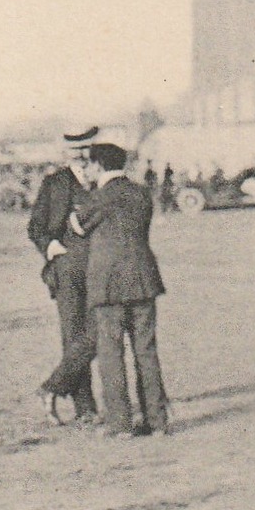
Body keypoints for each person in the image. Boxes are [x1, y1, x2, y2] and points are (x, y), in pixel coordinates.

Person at [71, 142, 170, 437]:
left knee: (110, 351)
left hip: (109, 283)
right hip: (143, 277)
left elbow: (77, 225)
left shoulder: (98, 198)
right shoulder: (141, 192)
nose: (86, 169)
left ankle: (120, 423)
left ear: (99, 165)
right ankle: (157, 420)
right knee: (147, 350)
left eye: (89, 164)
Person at [27, 127, 99, 425]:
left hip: (100, 267)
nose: (81, 156)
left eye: (86, 149)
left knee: (97, 333)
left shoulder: (103, 180)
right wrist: (50, 246)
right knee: (73, 335)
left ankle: (53, 386)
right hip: (67, 269)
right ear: (66, 152)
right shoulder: (54, 183)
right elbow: (35, 227)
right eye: (75, 150)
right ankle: (85, 407)